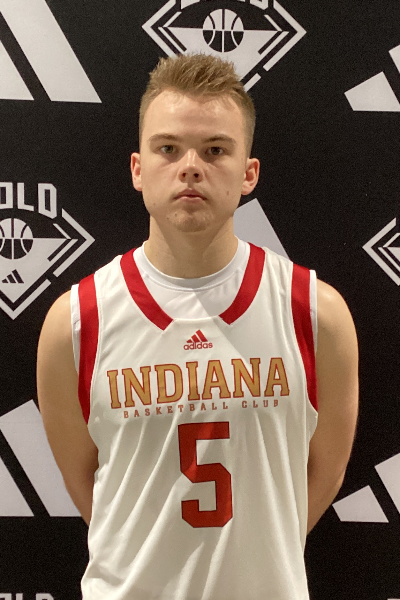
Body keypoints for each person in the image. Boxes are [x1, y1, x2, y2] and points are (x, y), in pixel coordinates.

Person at [37, 53, 358, 600]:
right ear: (138, 169)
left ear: (248, 173)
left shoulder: (315, 314)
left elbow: (323, 475)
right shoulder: (76, 322)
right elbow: (88, 484)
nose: (190, 167)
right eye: (168, 149)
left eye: (215, 150)